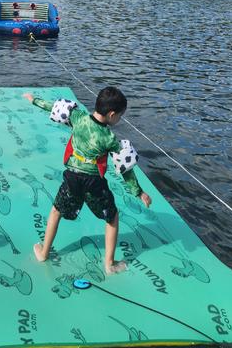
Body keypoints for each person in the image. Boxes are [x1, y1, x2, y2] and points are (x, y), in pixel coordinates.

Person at [23, 86, 152, 275]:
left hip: (72, 178)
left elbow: (54, 108)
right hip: (94, 183)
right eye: (120, 116)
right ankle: (109, 264)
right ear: (112, 114)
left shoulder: (78, 117)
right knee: (112, 218)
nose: (119, 120)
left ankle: (43, 253)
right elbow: (125, 168)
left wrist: (34, 99)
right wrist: (139, 192)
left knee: (56, 212)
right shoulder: (110, 138)